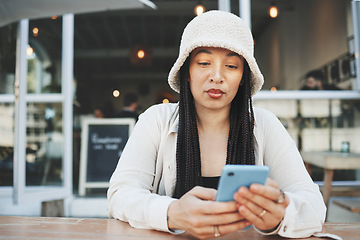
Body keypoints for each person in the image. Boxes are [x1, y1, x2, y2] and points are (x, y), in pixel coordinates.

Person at [108, 11, 326, 239]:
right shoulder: (156, 120)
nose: (217, 76)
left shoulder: (265, 124)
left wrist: (281, 212)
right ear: (187, 72)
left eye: (231, 66)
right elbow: (120, 195)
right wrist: (171, 213)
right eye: (204, 63)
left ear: (243, 77)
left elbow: (313, 205)